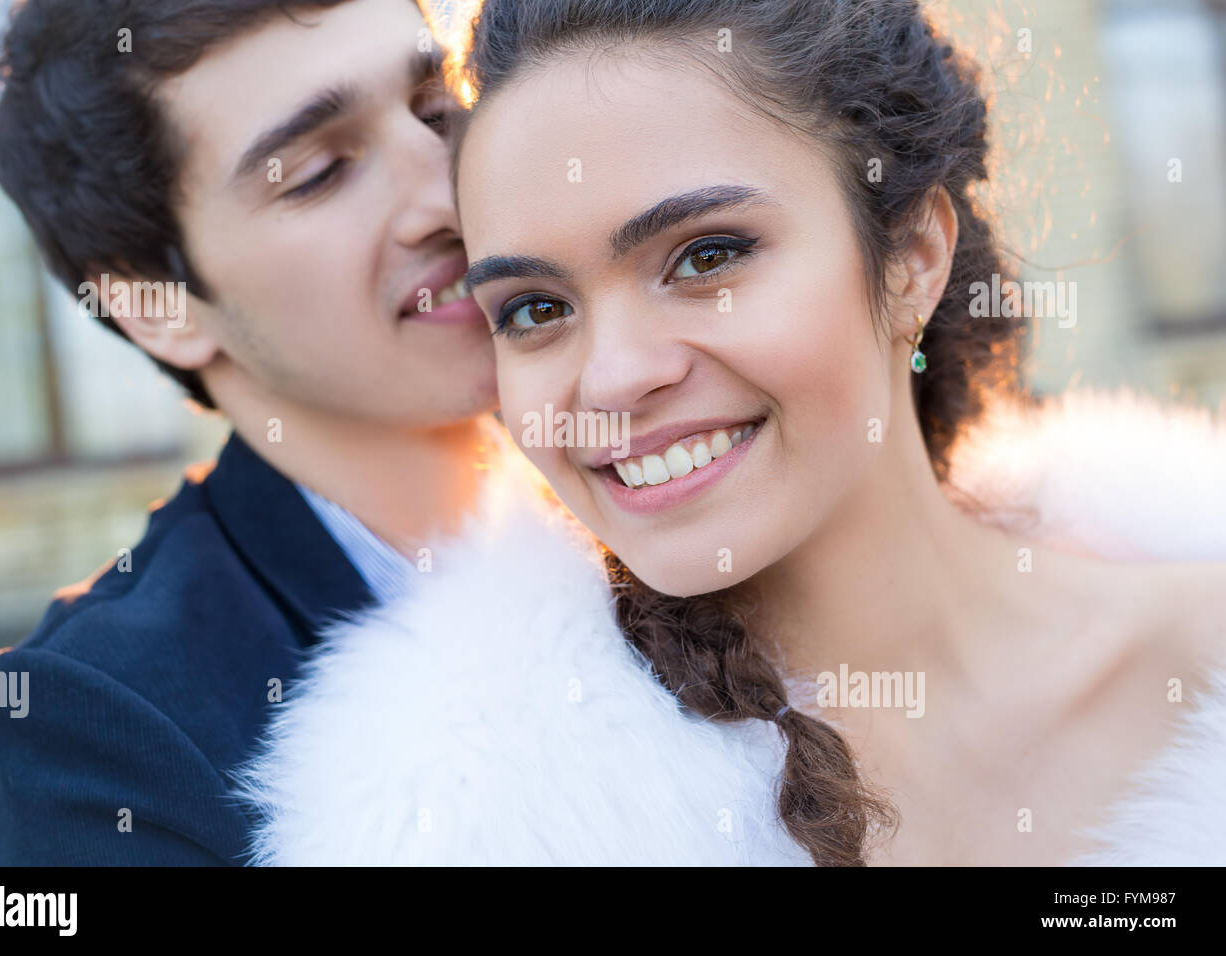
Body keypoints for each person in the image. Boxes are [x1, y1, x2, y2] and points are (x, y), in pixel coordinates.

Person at [444, 0, 1226, 865]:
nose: (614, 378)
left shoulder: (1206, 658)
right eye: (536, 309)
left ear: (913, 257)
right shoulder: (495, 819)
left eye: (707, 257)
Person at [0, 0, 498, 865]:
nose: (445, 191)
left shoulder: (668, 490)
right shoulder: (94, 720)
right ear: (157, 306)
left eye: (437, 109)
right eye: (323, 170)